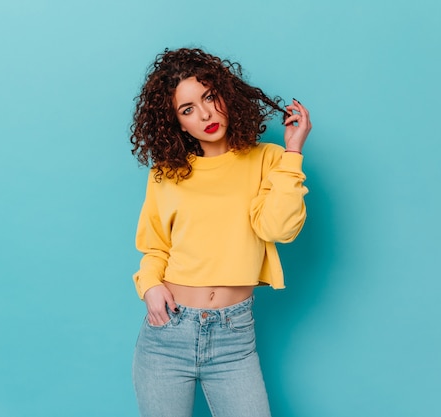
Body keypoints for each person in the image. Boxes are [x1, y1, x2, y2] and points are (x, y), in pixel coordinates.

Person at [129, 47, 311, 417]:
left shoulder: (269, 159)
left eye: (209, 97)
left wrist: (293, 152)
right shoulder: (167, 173)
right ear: (178, 123)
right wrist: (149, 287)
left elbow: (277, 228)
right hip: (168, 332)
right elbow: (155, 247)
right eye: (188, 109)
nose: (206, 114)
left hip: (234, 338)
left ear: (224, 96)